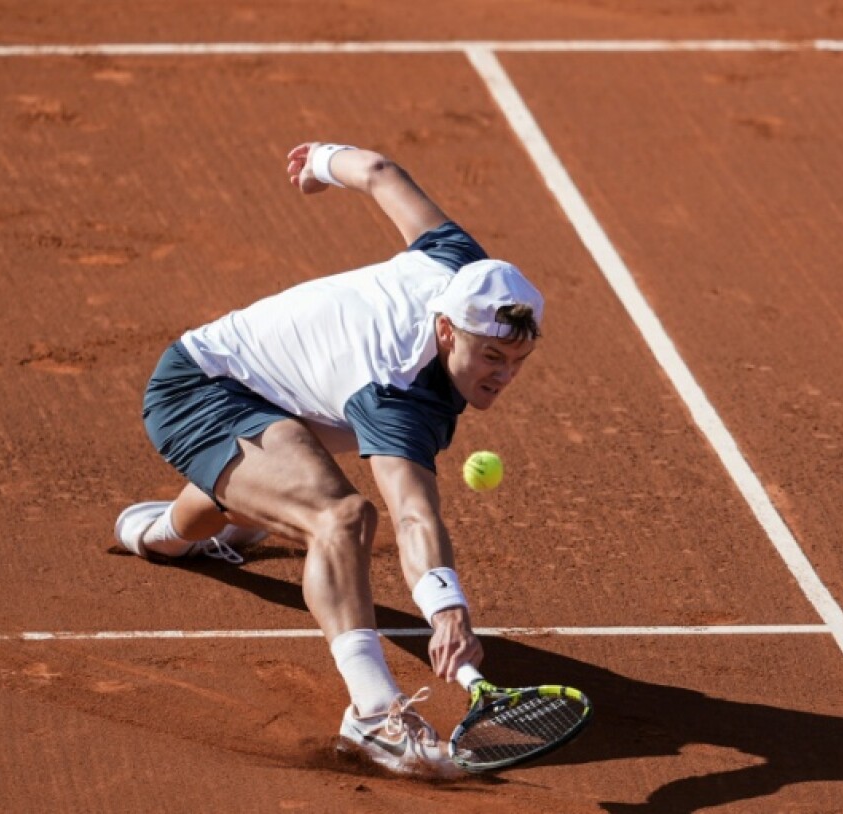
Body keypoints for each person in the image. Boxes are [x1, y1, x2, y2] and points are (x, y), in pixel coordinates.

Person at [112, 141, 544, 779]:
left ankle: (161, 535)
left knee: (275, 494)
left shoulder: (461, 265)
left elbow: (380, 173)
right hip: (200, 390)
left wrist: (321, 161)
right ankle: (374, 714)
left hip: (293, 395)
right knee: (340, 518)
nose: (503, 376)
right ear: (447, 330)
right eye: (491, 357)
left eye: (517, 361)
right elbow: (414, 516)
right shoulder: (397, 392)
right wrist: (446, 607)